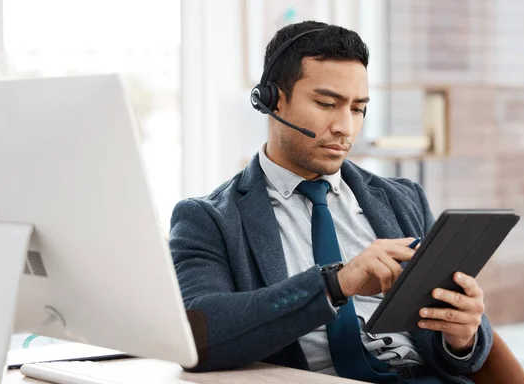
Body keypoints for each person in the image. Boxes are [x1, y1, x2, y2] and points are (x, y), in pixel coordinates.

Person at [169, 20, 493, 384]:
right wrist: (336, 284)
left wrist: (460, 337)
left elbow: (459, 354)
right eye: (327, 104)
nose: (346, 127)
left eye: (358, 109)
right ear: (273, 100)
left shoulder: (403, 199)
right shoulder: (208, 219)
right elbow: (200, 335)